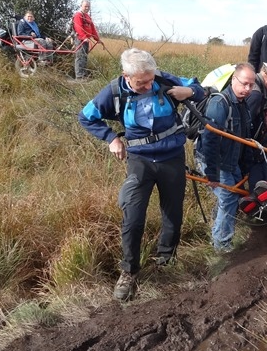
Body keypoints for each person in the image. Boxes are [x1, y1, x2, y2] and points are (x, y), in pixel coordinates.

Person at [77, 48, 204, 301]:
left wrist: (189, 92)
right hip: (140, 161)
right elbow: (86, 117)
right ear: (126, 76)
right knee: (133, 216)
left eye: (150, 80)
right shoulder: (113, 92)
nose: (148, 85)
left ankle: (165, 259)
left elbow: (200, 88)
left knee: (173, 212)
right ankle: (129, 271)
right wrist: (111, 138)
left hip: (172, 159)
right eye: (141, 82)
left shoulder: (164, 79)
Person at [196, 63, 257, 253]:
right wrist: (211, 173)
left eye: (251, 85)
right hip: (213, 161)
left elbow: (244, 138)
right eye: (244, 84)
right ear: (233, 80)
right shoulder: (219, 103)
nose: (247, 89)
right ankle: (221, 244)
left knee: (237, 193)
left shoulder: (242, 104)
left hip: (230, 161)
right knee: (229, 197)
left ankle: (218, 226)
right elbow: (210, 139)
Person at [73, 0, 100, 80]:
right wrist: (84, 37)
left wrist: (97, 39)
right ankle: (79, 76)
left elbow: (92, 29)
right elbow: (78, 27)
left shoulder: (88, 17)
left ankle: (83, 75)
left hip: (86, 40)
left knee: (84, 57)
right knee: (80, 57)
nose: (87, 8)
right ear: (81, 6)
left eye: (88, 7)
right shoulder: (78, 15)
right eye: (85, 6)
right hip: (80, 39)